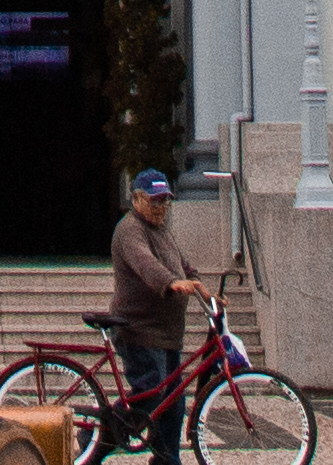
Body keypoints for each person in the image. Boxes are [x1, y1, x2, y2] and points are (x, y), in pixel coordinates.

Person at [104, 169, 208, 465]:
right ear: (137, 199)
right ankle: (94, 443)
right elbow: (146, 264)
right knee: (150, 395)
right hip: (139, 330)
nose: (161, 207)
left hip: (167, 335)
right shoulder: (130, 229)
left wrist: (201, 287)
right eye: (155, 200)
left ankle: (167, 461)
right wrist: (171, 283)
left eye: (165, 201)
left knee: (173, 404)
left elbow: (184, 266)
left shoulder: (162, 230)